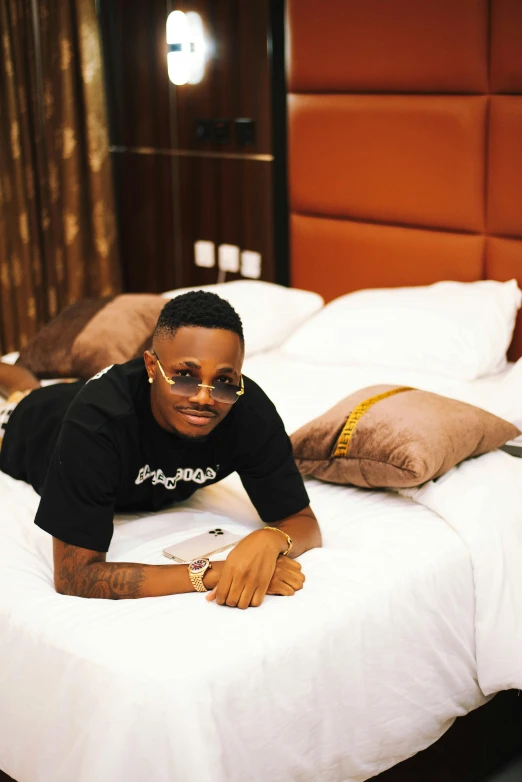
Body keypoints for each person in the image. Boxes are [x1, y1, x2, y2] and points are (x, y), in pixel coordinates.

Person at [0, 291, 321, 608]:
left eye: (223, 380)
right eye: (185, 377)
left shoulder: (248, 410)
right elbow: (75, 575)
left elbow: (303, 521)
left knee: (27, 388)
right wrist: (213, 572)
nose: (204, 398)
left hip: (79, 402)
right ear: (152, 366)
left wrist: (271, 539)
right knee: (23, 399)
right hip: (36, 427)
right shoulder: (98, 422)